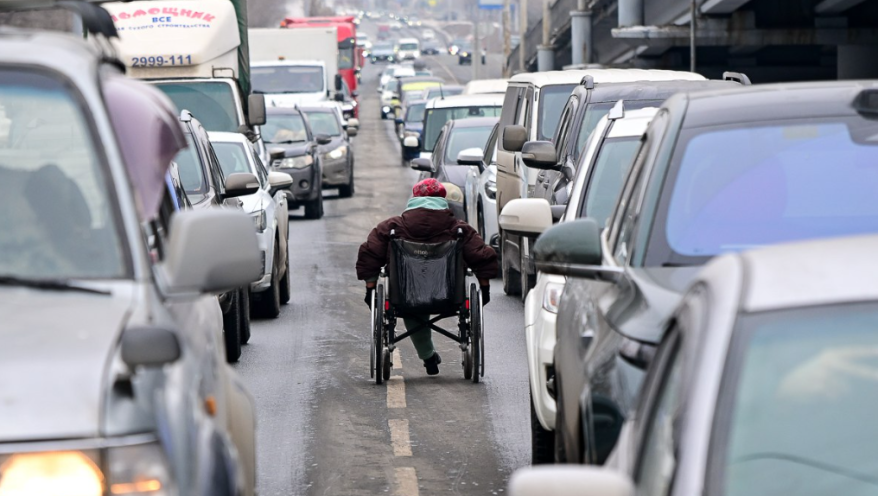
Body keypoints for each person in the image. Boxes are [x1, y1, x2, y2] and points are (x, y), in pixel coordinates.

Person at [356, 178, 498, 375]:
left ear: (414, 199)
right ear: (442, 200)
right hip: (449, 297)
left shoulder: (391, 228)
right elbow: (482, 257)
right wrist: (485, 288)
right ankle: (429, 355)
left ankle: (428, 356)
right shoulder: (459, 229)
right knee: (420, 298)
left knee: (413, 304)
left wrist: (370, 288)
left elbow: (369, 254)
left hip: (405, 297)